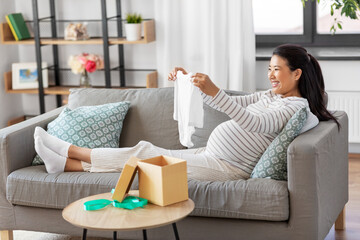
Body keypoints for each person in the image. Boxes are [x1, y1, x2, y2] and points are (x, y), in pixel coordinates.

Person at [34, 44, 339, 181]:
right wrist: (189, 81)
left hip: (227, 169)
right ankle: (64, 164)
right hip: (214, 156)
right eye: (269, 69)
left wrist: (214, 92)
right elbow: (240, 104)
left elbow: (254, 122)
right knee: (146, 157)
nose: (271, 75)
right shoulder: (273, 95)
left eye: (277, 70)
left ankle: (68, 150)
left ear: (297, 74)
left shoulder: (294, 106)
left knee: (145, 155)